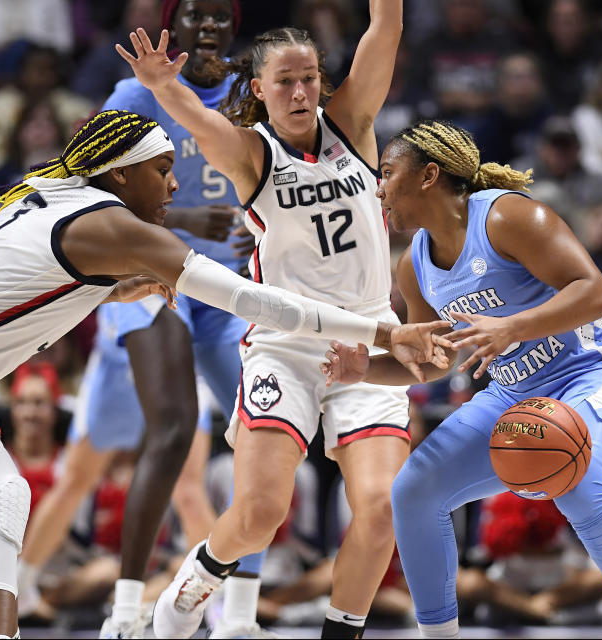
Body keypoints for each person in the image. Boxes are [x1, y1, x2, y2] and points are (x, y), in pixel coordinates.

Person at [0, 108, 449, 639]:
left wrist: (111, 291)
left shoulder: (64, 203)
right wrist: (384, 332)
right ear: (120, 174)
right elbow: (254, 301)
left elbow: (24, 280)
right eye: (161, 171)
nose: (174, 183)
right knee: (2, 495)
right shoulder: (111, 223)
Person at [321, 120, 602, 639]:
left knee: (580, 478)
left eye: (386, 173)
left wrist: (515, 325)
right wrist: (365, 369)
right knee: (413, 491)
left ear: (429, 175)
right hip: (517, 394)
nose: (378, 188)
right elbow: (437, 360)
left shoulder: (507, 217)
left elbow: (597, 291)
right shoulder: (415, 265)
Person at [115, 6, 414, 637]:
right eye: (285, 81)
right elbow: (195, 119)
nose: (301, 91)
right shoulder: (254, 154)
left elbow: (383, 32)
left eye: (309, 77)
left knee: (383, 509)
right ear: (258, 89)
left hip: (368, 333)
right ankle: (198, 577)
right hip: (288, 345)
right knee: (259, 515)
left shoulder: (353, 125)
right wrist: (164, 86)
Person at [15, 3, 270, 637]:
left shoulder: (250, 94)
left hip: (223, 296)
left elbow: (275, 180)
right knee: (88, 469)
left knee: (258, 438)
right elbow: (88, 189)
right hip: (144, 289)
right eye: (193, 13)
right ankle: (32, 585)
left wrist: (260, 227)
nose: (208, 24)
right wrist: (187, 223)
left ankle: (229, 611)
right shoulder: (136, 92)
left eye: (219, 14)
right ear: (170, 24)